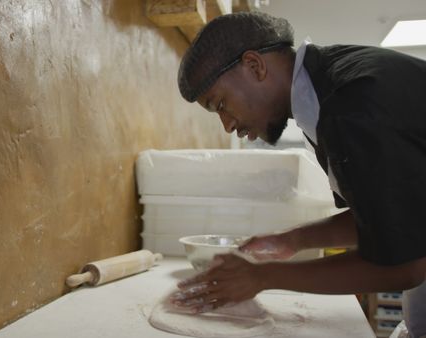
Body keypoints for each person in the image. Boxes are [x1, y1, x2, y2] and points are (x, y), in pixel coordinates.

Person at [171, 11, 426, 338]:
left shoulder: (353, 104)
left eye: (221, 104)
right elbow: (391, 217)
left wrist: (262, 278)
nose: (228, 125)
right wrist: (292, 240)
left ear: (254, 66)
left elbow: (404, 265)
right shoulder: (329, 89)